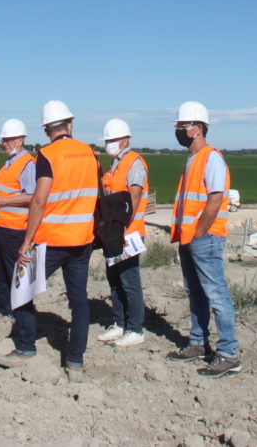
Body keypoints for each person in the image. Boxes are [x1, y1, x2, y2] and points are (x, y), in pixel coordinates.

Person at [0, 101, 97, 382]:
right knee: (79, 302)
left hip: (51, 239)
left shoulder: (47, 155)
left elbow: (38, 200)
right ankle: (75, 362)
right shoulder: (89, 153)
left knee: (21, 288)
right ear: (70, 124)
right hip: (82, 240)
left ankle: (26, 347)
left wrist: (26, 241)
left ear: (46, 129)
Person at [166, 101, 241, 378]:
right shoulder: (193, 158)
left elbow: (215, 198)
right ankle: (198, 342)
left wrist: (199, 232)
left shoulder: (211, 157)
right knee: (195, 292)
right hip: (191, 238)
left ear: (197, 129)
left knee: (216, 294)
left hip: (204, 237)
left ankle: (229, 353)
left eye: (181, 126)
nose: (178, 130)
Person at [97, 118, 149, 347]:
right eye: (107, 140)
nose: (109, 144)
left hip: (129, 233)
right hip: (113, 233)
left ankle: (135, 329)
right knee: (115, 280)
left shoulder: (133, 162)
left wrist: (125, 232)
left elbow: (134, 197)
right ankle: (119, 323)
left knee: (129, 281)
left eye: (113, 140)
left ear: (125, 140)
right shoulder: (113, 166)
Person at [0, 118, 36, 323]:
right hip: (1, 226)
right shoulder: (8, 164)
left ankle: (20, 312)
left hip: (16, 229)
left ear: (21, 140)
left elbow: (33, 197)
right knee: (3, 273)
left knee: (17, 275)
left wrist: (2, 202)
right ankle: (5, 308)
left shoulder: (28, 165)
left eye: (9, 139)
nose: (5, 143)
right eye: (4, 140)